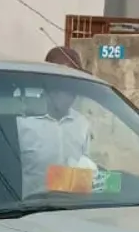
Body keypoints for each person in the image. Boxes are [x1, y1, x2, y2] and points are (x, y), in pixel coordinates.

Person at [13, 49, 96, 195]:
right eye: (61, 85)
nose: (70, 93)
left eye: (73, 86)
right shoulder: (23, 123)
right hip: (30, 212)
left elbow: (88, 177)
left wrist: (118, 185)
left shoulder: (82, 124)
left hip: (75, 209)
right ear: (47, 85)